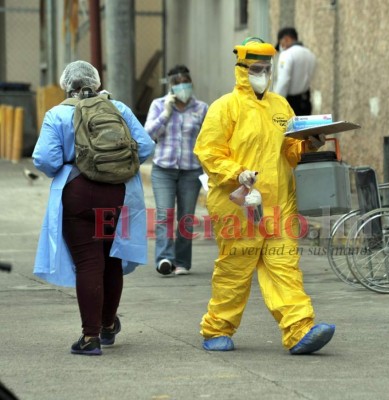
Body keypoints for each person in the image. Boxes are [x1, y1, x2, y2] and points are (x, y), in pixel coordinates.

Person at [193, 37, 334, 354]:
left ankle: (300, 329)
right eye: (257, 68)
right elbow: (208, 153)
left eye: (267, 68)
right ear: (241, 69)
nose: (264, 74)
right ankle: (216, 328)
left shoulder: (280, 106)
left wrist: (309, 144)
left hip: (278, 202)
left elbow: (288, 150)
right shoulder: (224, 108)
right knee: (236, 268)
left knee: (284, 266)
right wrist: (237, 172)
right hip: (238, 203)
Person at [32, 60, 155, 355]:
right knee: (112, 258)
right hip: (117, 193)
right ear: (97, 84)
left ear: (66, 85)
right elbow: (147, 146)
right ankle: (108, 325)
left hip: (78, 193)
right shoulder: (118, 109)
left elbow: (45, 160)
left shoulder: (57, 114)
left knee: (88, 262)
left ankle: (90, 338)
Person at [144, 65, 208, 276]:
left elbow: (208, 139)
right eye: (178, 85)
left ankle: (181, 262)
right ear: (171, 87)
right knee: (164, 215)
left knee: (186, 217)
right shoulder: (158, 105)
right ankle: (164, 258)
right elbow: (148, 134)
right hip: (163, 169)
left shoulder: (201, 108)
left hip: (191, 171)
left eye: (186, 84)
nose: (183, 89)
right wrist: (166, 113)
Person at [272, 27, 316, 115]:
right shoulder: (310, 54)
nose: (281, 47)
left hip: (291, 104)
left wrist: (275, 103)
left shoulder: (286, 54)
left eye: (281, 43)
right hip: (306, 102)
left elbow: (283, 81)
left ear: (287, 39)